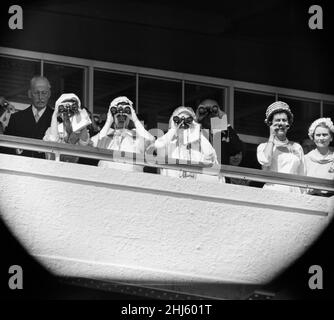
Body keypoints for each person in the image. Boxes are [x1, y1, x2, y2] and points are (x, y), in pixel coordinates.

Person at [154, 106, 222, 182]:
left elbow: (210, 154)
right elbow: (158, 145)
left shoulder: (199, 146)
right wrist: (174, 128)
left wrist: (196, 130)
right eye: (179, 120)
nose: (183, 124)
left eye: (188, 120)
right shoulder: (170, 146)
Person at [91, 96, 154, 172]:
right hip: (106, 177)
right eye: (118, 116)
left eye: (124, 116)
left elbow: (151, 140)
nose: (121, 118)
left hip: (132, 179)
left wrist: (134, 118)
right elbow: (93, 144)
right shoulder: (107, 133)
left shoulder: (137, 134)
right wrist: (109, 121)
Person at [257, 101, 306, 193]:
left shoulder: (297, 147)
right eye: (277, 120)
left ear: (288, 124)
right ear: (270, 123)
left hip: (294, 191)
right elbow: (266, 161)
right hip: (273, 190)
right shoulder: (263, 147)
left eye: (284, 120)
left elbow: (302, 174)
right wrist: (271, 136)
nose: (281, 124)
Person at [3, 76, 54, 158]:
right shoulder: (16, 118)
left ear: (49, 94)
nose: (40, 97)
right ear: (30, 94)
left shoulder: (57, 118)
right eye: (36, 93)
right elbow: (5, 148)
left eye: (44, 93)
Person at [43, 93, 91, 163]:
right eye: (64, 109)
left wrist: (80, 115)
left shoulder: (79, 131)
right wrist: (55, 114)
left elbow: (84, 143)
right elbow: (53, 140)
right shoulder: (51, 130)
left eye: (73, 108)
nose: (68, 113)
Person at [195, 98, 242, 165]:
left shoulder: (223, 134)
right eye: (204, 110)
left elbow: (237, 148)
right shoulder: (195, 133)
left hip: (219, 173)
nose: (209, 114)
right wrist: (195, 120)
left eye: (213, 110)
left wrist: (224, 121)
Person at [305, 118, 334, 196]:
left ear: (331, 138)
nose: (321, 138)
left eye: (324, 135)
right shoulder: (306, 159)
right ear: (313, 138)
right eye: (318, 135)